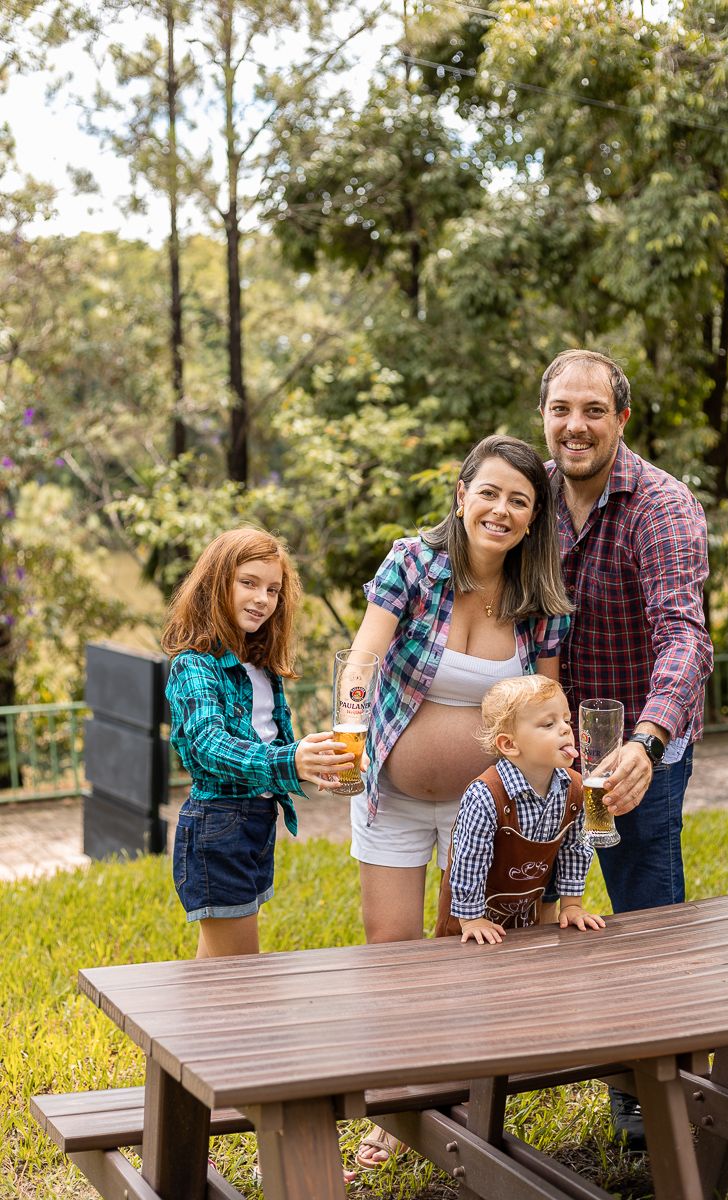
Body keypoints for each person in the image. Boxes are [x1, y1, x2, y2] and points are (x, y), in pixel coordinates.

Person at [347, 434, 572, 1169]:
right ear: (462, 494)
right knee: (392, 952)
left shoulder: (540, 594)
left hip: (487, 808)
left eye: (520, 501)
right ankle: (396, 1107)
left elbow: (546, 701)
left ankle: (457, 1098)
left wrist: (569, 772)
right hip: (394, 796)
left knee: (469, 951)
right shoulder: (414, 562)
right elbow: (366, 656)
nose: (501, 511)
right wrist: (350, 716)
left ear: (534, 518)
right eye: (491, 493)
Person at [538, 348, 714, 1147]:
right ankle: (527, 1067)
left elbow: (683, 633)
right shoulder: (528, 496)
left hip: (641, 747)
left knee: (645, 918)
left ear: (621, 419)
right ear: (544, 417)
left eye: (593, 410)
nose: (576, 425)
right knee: (527, 912)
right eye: (560, 410)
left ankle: (663, 1107)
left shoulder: (661, 506)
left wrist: (648, 739)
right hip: (544, 749)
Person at [162, 526, 355, 960]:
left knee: (216, 966)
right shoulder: (195, 665)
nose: (262, 599)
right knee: (240, 972)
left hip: (254, 824)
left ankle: (191, 1028)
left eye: (273, 589)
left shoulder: (260, 668)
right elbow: (207, 744)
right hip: (217, 827)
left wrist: (314, 766)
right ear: (216, 584)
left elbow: (272, 740)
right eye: (248, 583)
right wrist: (289, 761)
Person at [436, 674, 605, 944]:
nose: (564, 729)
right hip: (468, 925)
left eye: (567, 720)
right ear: (510, 745)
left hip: (525, 918)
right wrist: (471, 918)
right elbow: (469, 860)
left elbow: (575, 849)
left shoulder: (573, 789)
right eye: (548, 724)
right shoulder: (486, 796)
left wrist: (572, 905)